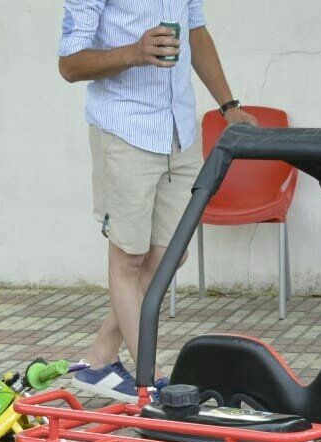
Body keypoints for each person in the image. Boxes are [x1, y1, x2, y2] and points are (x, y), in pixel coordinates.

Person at [59, 1, 258, 401]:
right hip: (125, 129)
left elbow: (196, 33)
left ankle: (98, 359)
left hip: (179, 131)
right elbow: (70, 64)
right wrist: (134, 52)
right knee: (128, 259)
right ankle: (149, 381)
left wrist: (229, 105)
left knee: (171, 255)